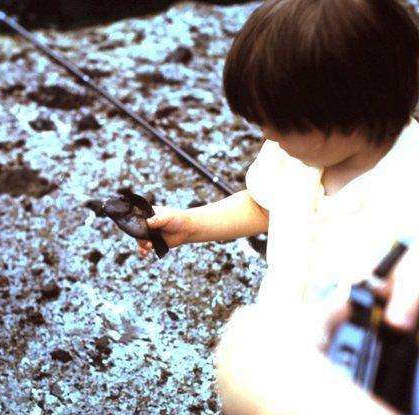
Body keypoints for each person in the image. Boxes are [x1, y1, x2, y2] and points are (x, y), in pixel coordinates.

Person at [135, 0, 419, 412]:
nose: (267, 134)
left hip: (348, 387)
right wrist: (191, 225)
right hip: (281, 342)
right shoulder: (294, 154)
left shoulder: (408, 192)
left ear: (348, 115)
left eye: (281, 123)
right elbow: (263, 204)